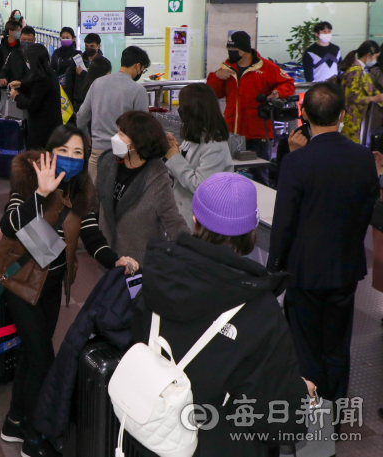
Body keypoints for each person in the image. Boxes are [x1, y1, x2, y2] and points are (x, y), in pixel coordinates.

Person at [132, 172, 313, 457]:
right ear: (251, 231)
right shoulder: (259, 309)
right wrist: (302, 393)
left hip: (153, 437)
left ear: (194, 220)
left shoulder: (158, 273)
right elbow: (280, 422)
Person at [0, 125, 138, 457]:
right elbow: (8, 224)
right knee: (43, 359)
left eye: (79, 153)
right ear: (50, 151)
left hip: (51, 285)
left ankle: (13, 421)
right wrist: (40, 194)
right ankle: (34, 438)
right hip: (20, 282)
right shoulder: (29, 176)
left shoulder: (80, 188)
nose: (72, 159)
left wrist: (116, 259)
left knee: (33, 358)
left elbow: (91, 234)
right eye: (65, 151)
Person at [268, 83, 378, 430]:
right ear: (343, 116)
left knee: (304, 346)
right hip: (345, 267)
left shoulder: (298, 161)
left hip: (304, 270)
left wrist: (274, 269)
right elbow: (367, 209)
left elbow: (284, 221)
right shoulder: (363, 158)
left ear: (304, 115)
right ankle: (336, 417)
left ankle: (311, 420)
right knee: (337, 344)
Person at [95, 111, 189, 266]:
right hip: (108, 260)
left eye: (121, 134)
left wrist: (193, 251)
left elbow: (173, 223)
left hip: (139, 265)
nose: (115, 138)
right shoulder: (107, 162)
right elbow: (94, 204)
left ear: (139, 142)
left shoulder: (158, 179)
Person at [207, 31, 295, 186]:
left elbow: (288, 83)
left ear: (245, 50)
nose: (230, 52)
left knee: (260, 174)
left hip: (257, 131)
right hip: (231, 130)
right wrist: (216, 77)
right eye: (228, 48)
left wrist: (277, 93)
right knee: (228, 172)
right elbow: (214, 93)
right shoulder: (226, 68)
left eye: (233, 49)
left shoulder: (267, 67)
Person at [164, 83, 233, 230]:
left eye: (182, 107)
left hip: (202, 222)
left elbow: (201, 186)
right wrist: (172, 151)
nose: (179, 111)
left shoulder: (215, 145)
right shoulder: (195, 137)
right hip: (184, 217)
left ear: (193, 111)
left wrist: (175, 158)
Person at [77, 46, 150, 182]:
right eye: (142, 69)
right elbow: (143, 128)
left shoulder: (97, 83)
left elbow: (81, 116)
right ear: (137, 66)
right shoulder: (138, 90)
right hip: (124, 156)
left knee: (93, 198)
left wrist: (87, 136)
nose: (141, 72)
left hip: (97, 153)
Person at [10, 44, 63, 149]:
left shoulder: (42, 79)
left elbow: (32, 104)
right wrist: (21, 84)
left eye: (28, 60)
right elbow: (33, 85)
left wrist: (16, 96)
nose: (27, 63)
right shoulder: (49, 74)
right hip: (52, 125)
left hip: (43, 129)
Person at [338, 40, 383, 143]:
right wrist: (374, 99)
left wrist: (378, 97)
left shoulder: (362, 71)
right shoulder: (354, 71)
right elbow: (351, 96)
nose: (376, 60)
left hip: (357, 118)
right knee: (349, 146)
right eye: (375, 57)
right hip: (349, 119)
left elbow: (372, 89)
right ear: (368, 55)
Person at [0, 20, 24, 114]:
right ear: (10, 31)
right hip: (5, 78)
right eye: (18, 30)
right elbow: (0, 66)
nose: (20, 33)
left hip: (18, 78)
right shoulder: (2, 47)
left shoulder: (21, 47)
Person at [65, 34, 108, 112]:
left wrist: (83, 74)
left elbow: (102, 83)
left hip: (97, 103)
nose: (88, 48)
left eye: (92, 46)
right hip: (78, 103)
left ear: (98, 46)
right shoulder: (77, 61)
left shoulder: (104, 63)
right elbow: (69, 83)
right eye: (87, 46)